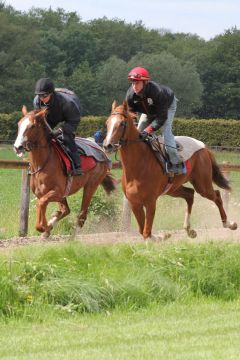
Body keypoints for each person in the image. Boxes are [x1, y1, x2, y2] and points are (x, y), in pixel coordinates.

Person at [126, 66, 186, 175]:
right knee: (137, 135)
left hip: (167, 107)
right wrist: (135, 126)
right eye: (133, 83)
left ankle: (177, 164)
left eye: (137, 83)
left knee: (166, 134)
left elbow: (161, 118)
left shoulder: (156, 92)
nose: (134, 86)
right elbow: (131, 113)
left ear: (145, 82)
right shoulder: (130, 95)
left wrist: (148, 130)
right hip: (148, 111)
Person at [33, 78, 83, 175]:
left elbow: (73, 120)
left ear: (51, 93)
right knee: (43, 134)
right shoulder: (36, 101)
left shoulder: (68, 103)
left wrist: (60, 130)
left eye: (44, 96)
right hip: (51, 115)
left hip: (71, 115)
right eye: (39, 96)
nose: (42, 98)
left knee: (67, 136)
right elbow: (42, 121)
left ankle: (77, 165)